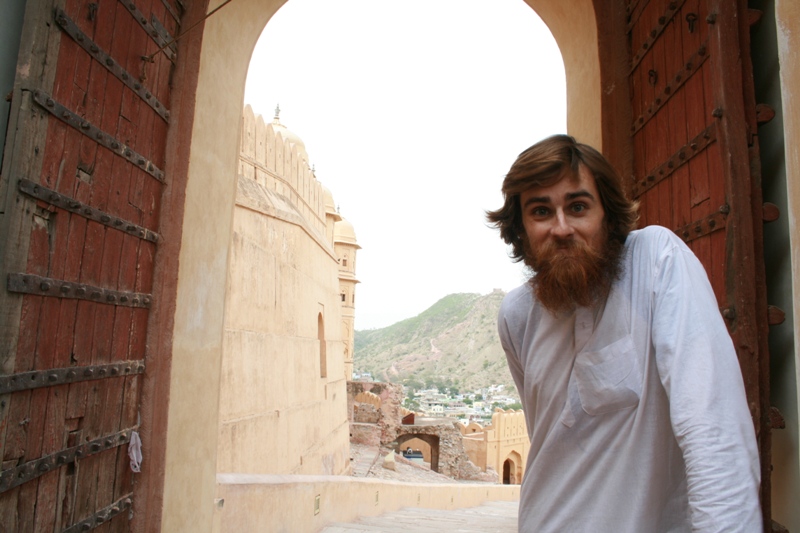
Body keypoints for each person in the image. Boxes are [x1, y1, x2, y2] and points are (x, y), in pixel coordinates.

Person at [486, 135, 761, 532]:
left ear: (608, 216)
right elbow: (546, 435)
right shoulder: (517, 314)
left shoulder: (656, 261)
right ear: (521, 228)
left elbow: (712, 425)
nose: (561, 228)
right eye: (541, 211)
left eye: (578, 207)